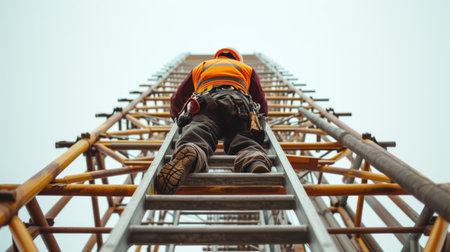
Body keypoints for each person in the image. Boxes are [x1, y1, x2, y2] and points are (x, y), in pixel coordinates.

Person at [155, 48, 272, 194]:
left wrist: (176, 116)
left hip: (207, 101)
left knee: (199, 131)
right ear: (237, 59)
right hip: (239, 104)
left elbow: (179, 97)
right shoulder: (245, 68)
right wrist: (262, 119)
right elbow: (259, 97)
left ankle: (193, 151)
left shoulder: (203, 66)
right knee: (245, 139)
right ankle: (254, 161)